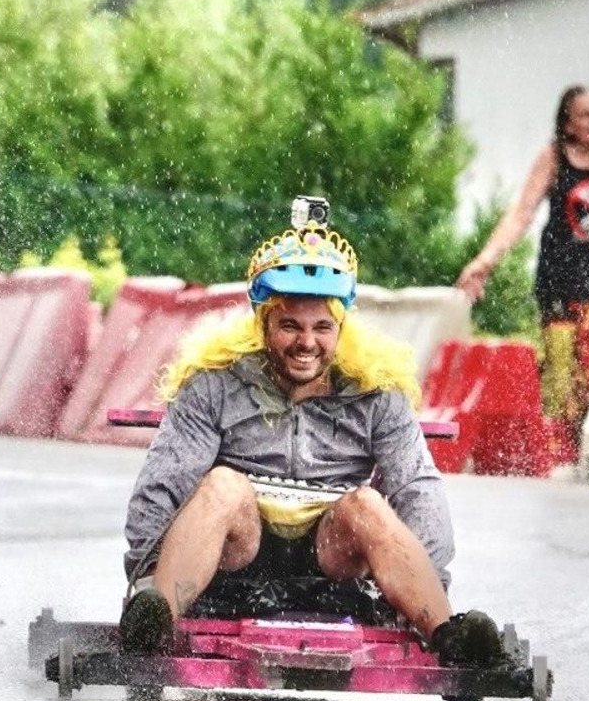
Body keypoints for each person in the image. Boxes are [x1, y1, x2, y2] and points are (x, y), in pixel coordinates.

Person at [121, 202, 507, 666]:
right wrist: (144, 584)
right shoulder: (213, 383)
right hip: (236, 552)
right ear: (263, 323)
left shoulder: (378, 394)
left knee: (369, 503)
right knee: (222, 484)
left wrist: (429, 587)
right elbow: (166, 482)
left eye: (322, 327)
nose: (307, 343)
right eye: (290, 326)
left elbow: (417, 489)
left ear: (341, 327)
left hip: (333, 556)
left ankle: (451, 635)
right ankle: (154, 624)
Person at [455, 85, 589, 437]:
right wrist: (484, 262)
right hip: (564, 289)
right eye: (586, 115)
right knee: (563, 377)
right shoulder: (554, 159)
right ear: (568, 124)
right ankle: (559, 453)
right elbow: (520, 215)